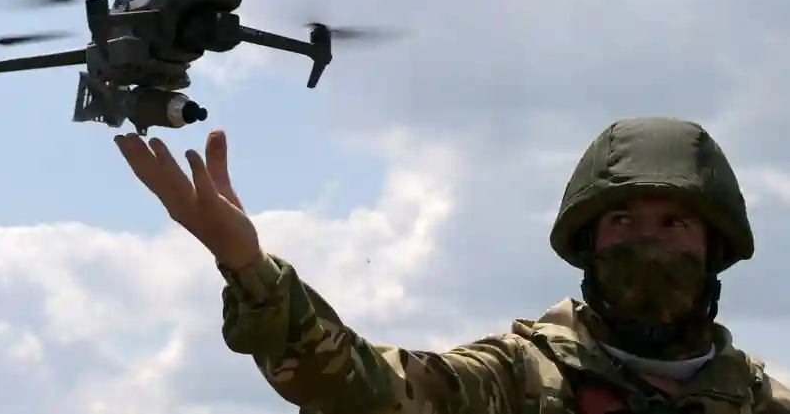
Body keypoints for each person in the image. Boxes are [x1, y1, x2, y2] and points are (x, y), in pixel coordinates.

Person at [115, 116, 790, 414]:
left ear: (714, 249)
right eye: (623, 221)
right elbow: (360, 388)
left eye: (673, 224)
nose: (647, 243)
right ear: (588, 242)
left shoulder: (762, 403)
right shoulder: (515, 382)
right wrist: (245, 263)